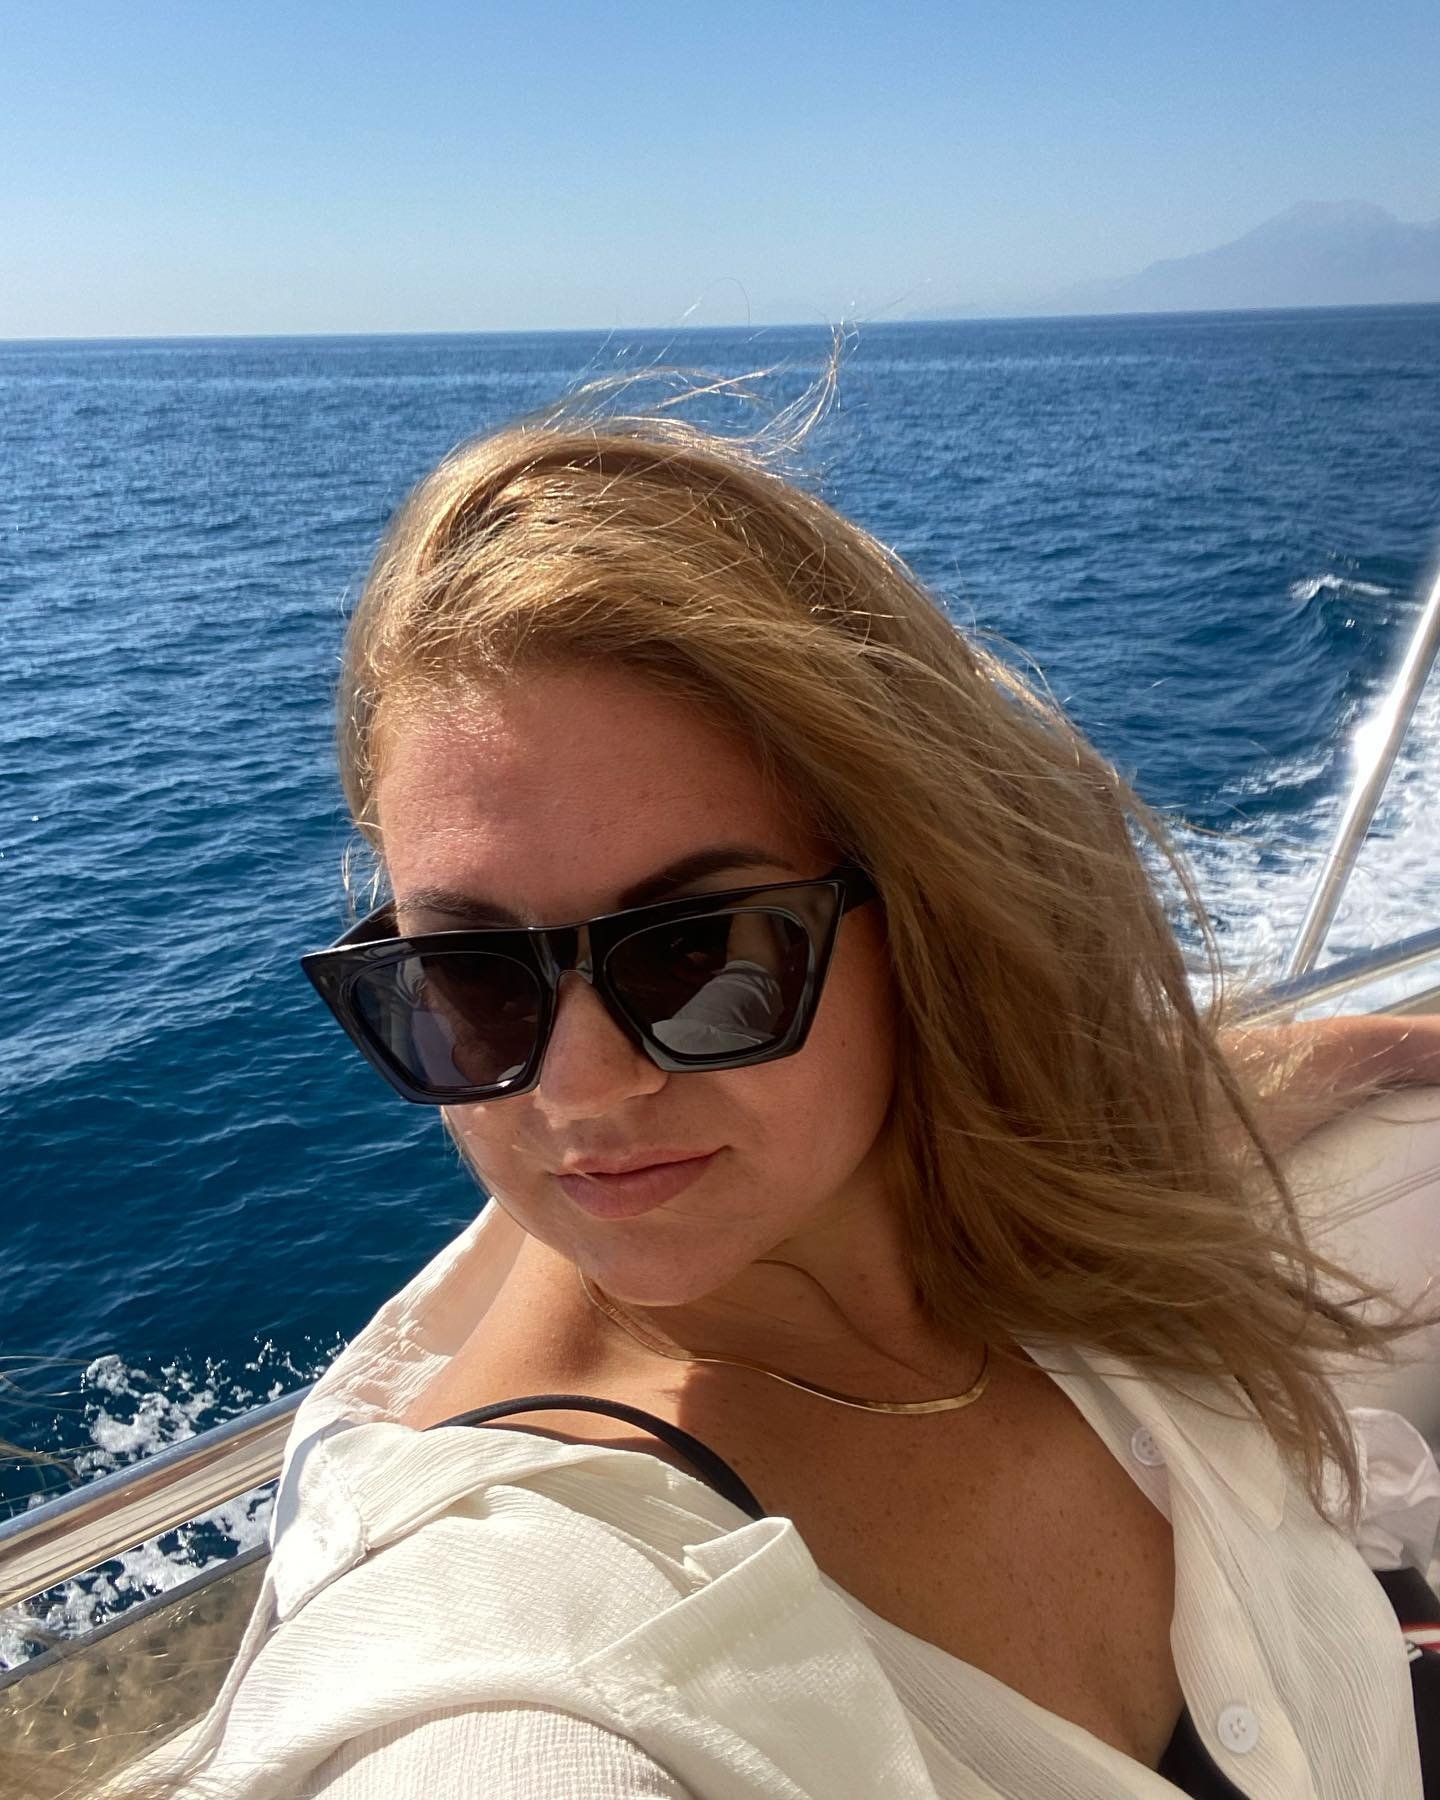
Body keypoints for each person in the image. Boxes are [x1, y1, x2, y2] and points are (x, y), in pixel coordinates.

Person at [110, 380, 1440, 1799]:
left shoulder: (1015, 1175)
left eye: (700, 952)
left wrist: (1396, 1045)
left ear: (924, 915)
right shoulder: (513, 1645)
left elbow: (1149, 1099)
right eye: (471, 975)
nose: (580, 1088)